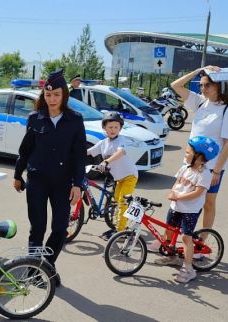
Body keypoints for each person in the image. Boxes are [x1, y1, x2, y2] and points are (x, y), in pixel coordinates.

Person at [13, 69, 86, 285]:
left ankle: (48, 264)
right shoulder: (35, 118)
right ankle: (34, 270)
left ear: (64, 95)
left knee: (60, 228)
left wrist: (78, 184)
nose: (52, 99)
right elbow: (25, 150)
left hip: (62, 182)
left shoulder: (74, 120)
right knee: (37, 227)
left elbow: (79, 155)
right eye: (48, 95)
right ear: (43, 95)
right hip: (37, 179)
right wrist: (18, 174)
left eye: (56, 95)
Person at [170, 66, 228, 234]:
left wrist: (216, 171)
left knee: (208, 203)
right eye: (201, 85)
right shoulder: (200, 101)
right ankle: (174, 241)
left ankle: (201, 244)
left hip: (212, 167)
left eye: (207, 85)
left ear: (219, 85)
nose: (203, 88)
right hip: (191, 164)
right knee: (182, 201)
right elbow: (176, 85)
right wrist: (199, 70)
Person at [153, 136, 218, 283]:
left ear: (200, 157)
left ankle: (189, 268)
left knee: (186, 238)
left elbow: (197, 193)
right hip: (176, 206)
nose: (185, 154)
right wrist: (172, 192)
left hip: (190, 210)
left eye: (188, 152)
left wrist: (178, 197)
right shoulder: (185, 168)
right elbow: (176, 183)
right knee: (170, 230)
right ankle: (172, 257)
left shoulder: (204, 174)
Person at [87, 112, 139, 240]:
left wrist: (106, 161)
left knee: (122, 202)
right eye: (110, 127)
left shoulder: (121, 140)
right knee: (116, 201)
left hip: (129, 175)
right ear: (104, 128)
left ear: (120, 128)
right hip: (118, 177)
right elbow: (88, 152)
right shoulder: (103, 143)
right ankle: (117, 226)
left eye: (116, 127)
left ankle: (120, 232)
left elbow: (120, 152)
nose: (113, 130)